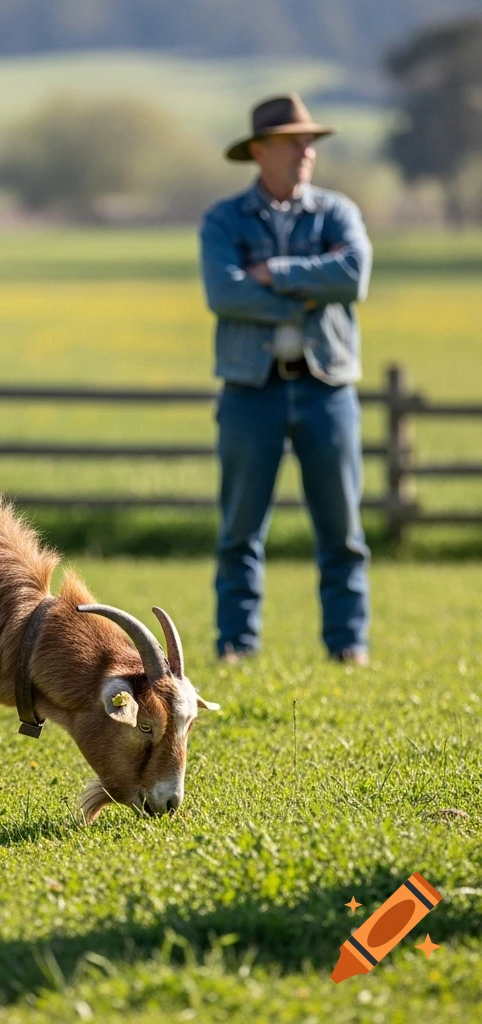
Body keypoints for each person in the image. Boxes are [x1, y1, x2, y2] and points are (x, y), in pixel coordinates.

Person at [199, 93, 372, 665]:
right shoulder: (223, 219)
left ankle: (349, 645)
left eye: (311, 141)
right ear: (259, 150)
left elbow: (354, 276)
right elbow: (223, 292)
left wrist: (275, 273)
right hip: (252, 392)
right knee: (239, 530)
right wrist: (306, 299)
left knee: (342, 530)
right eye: (293, 141)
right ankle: (235, 646)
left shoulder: (338, 211)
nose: (307, 151)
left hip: (329, 390)